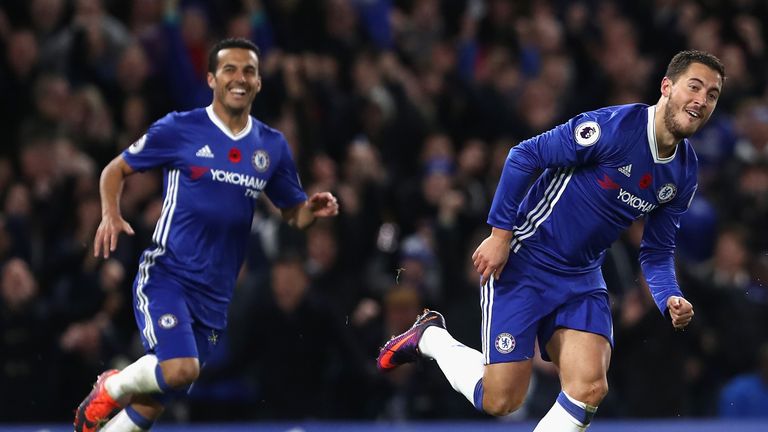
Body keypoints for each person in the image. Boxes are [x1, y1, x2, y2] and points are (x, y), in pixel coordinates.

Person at [378, 50, 724, 431]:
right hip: (526, 259)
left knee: (589, 387)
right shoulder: (612, 128)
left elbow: (657, 252)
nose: (701, 100)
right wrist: (499, 234)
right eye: (694, 87)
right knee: (502, 400)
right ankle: (430, 336)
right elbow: (524, 155)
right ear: (667, 86)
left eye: (712, 95)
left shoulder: (685, 173)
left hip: (582, 277)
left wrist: (668, 296)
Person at [74, 37, 339, 432]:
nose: (240, 78)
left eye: (249, 70)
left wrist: (310, 212)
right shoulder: (180, 128)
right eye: (230, 69)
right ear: (212, 79)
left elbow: (293, 215)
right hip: (169, 275)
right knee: (180, 368)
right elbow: (115, 169)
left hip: (216, 296)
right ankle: (112, 385)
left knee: (154, 401)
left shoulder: (271, 146)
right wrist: (110, 214)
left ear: (259, 82)